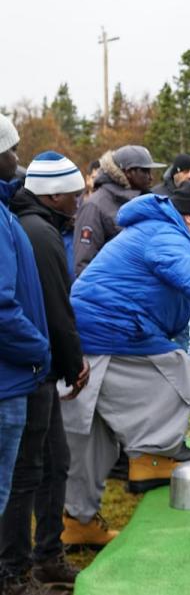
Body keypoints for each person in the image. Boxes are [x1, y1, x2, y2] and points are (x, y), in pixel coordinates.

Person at [61, 182, 190, 547]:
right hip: (111, 334)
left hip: (94, 335)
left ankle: (76, 520)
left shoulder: (160, 232)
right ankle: (151, 457)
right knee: (178, 375)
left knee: (92, 440)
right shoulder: (164, 236)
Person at [1, 153, 88, 591]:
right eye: (75, 194)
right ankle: (15, 569)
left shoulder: (31, 224)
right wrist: (70, 361)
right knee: (28, 472)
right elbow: (57, 307)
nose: (80, 200)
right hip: (29, 368)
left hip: (35, 365)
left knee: (54, 462)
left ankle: (47, 556)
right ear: (55, 195)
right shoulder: (40, 232)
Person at [0, 113, 50, 524]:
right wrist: (39, 349)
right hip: (6, 381)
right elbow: (0, 307)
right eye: (11, 150)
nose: (17, 158)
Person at [73, 145, 163, 276]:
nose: (151, 177)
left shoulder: (146, 202)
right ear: (128, 172)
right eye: (145, 171)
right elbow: (84, 264)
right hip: (114, 293)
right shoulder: (94, 206)